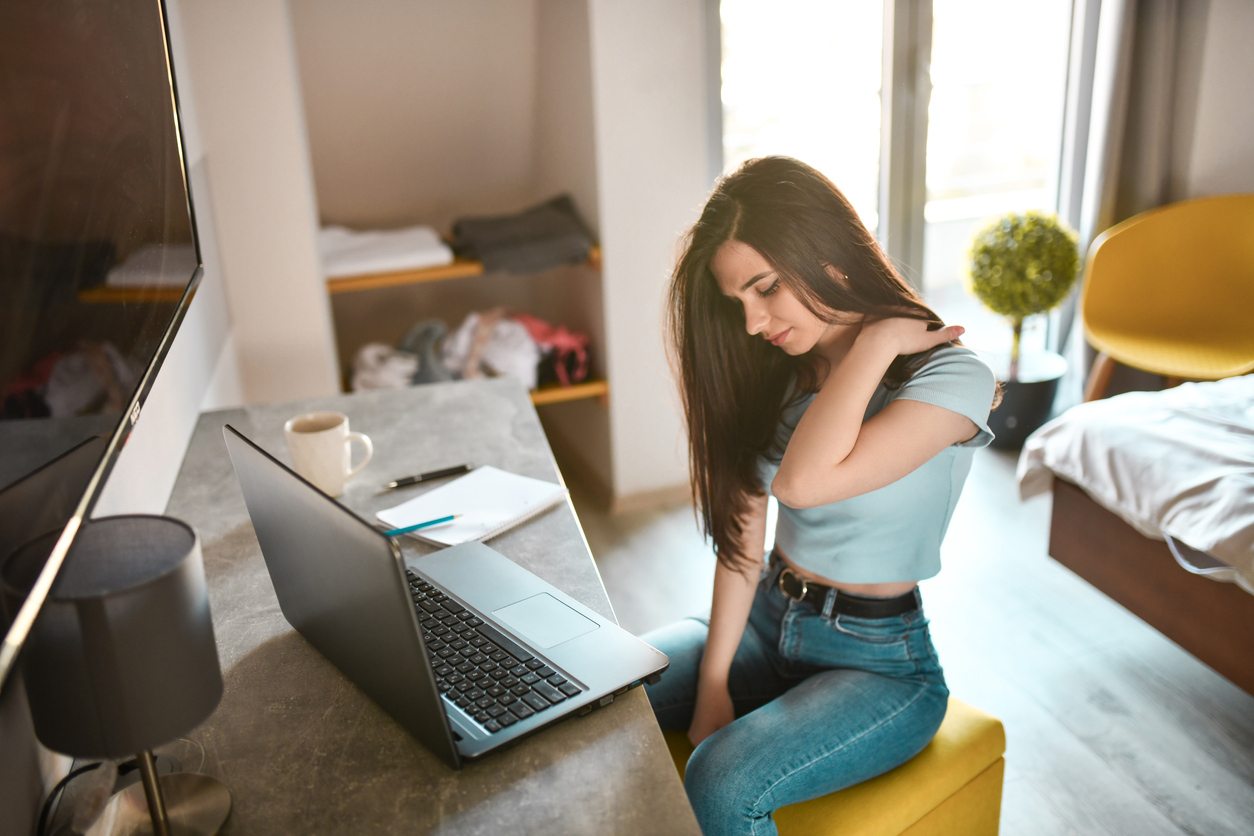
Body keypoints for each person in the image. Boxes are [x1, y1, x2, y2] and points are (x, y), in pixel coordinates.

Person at [644, 156, 997, 836]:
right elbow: (742, 544)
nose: (751, 322)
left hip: (881, 664)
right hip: (766, 621)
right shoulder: (776, 372)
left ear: (827, 254)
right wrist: (714, 684)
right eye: (736, 302)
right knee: (604, 693)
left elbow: (802, 481)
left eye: (765, 288)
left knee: (721, 778)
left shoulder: (956, 378)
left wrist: (879, 340)